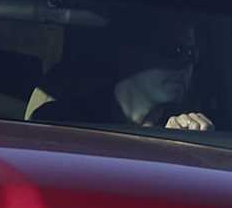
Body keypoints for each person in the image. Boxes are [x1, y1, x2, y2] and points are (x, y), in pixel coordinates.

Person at [31, 20, 213, 131]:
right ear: (129, 52)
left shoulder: (192, 129)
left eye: (192, 54)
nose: (185, 64)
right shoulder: (61, 122)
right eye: (174, 50)